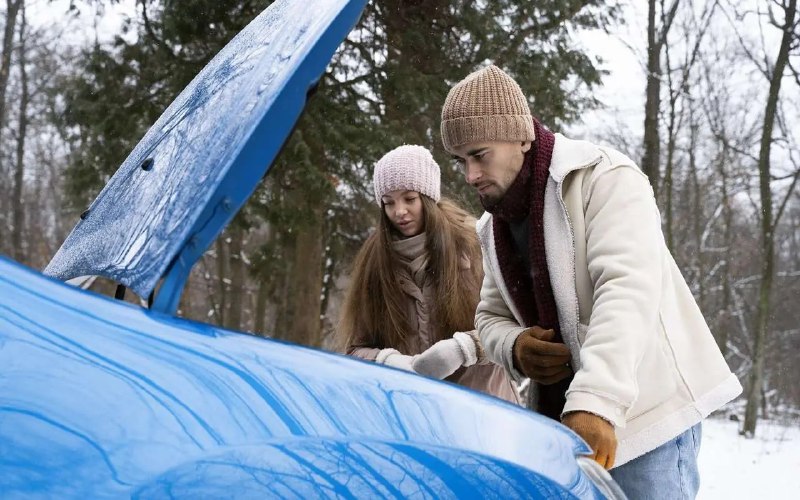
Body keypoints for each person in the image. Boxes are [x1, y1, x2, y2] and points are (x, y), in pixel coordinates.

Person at [439, 65, 742, 498]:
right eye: (460, 160)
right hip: (563, 429)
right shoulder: (493, 226)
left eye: (479, 154)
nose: (469, 175)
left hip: (644, 420)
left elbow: (626, 291)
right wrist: (516, 347)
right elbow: (489, 315)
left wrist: (595, 401)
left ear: (521, 137)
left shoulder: (606, 179)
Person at [337, 144, 519, 404]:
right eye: (389, 203)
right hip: (414, 414)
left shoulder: (475, 244)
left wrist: (465, 349)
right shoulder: (375, 261)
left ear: (428, 197)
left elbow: (515, 325)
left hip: (486, 410)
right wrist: (388, 361)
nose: (399, 211)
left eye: (409, 199)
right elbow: (354, 348)